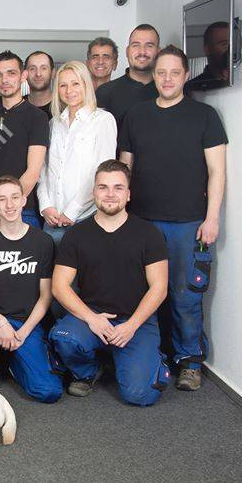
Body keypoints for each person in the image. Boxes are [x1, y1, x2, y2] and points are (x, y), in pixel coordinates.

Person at [119, 45, 228, 391]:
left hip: (188, 223)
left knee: (184, 296)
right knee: (144, 294)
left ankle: (189, 362)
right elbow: (124, 169)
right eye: (161, 73)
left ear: (185, 76)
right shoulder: (136, 115)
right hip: (142, 222)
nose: (167, 79)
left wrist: (212, 218)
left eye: (174, 73)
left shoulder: (205, 116)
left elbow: (217, 172)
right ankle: (154, 356)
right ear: (154, 76)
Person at [50, 160, 170, 405]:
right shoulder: (76, 234)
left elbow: (159, 288)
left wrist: (131, 326)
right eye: (103, 187)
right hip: (92, 316)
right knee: (64, 338)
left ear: (128, 194)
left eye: (118, 188)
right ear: (94, 191)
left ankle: (144, 358)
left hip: (136, 319)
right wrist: (92, 319)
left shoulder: (149, 234)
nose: (110, 194)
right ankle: (88, 371)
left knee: (140, 395)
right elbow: (59, 286)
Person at [0, 176, 61, 403]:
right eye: (2, 199)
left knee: (48, 392)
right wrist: (1, 322)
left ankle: (12, 361)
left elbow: (46, 296)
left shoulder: (42, 242)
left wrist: (23, 332)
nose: (9, 205)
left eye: (15, 197)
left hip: (27, 323)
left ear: (24, 200)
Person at [37, 61, 116, 245]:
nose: (69, 90)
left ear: (86, 84)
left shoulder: (103, 120)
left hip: (85, 217)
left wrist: (72, 211)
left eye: (75, 83)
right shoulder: (54, 123)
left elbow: (103, 174)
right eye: (63, 85)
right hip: (52, 218)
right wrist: (45, 205)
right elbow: (43, 169)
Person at [0, 50, 48, 233]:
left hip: (22, 211)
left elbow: (33, 171)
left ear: (23, 76)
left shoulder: (37, 117)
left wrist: (7, 207)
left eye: (11, 73)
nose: (4, 79)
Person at [96, 24, 160, 139]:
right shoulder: (105, 93)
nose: (142, 51)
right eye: (136, 45)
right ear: (127, 51)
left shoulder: (168, 91)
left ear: (159, 51)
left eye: (149, 46)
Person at [187, 21, 230, 89]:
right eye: (224, 44)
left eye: (232, 44)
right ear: (207, 49)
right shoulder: (192, 88)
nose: (230, 49)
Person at [24, 51, 54, 120]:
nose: (38, 74)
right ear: (25, 74)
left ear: (53, 73)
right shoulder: (17, 107)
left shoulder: (65, 108)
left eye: (44, 68)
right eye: (32, 68)